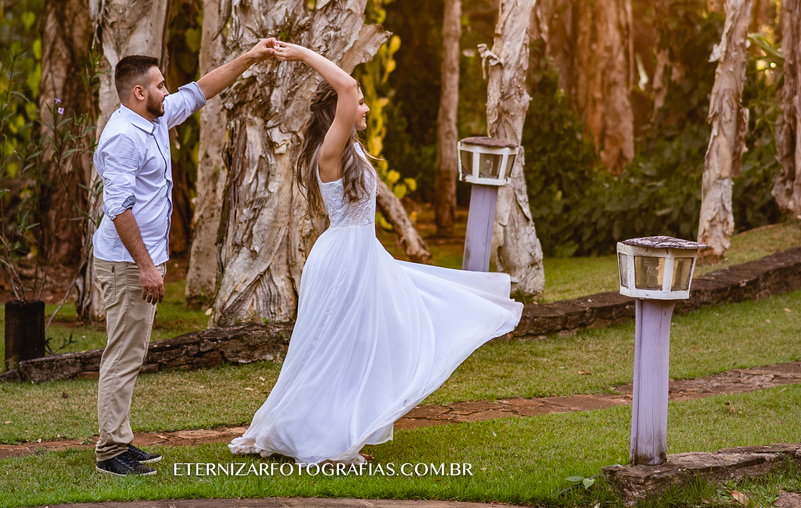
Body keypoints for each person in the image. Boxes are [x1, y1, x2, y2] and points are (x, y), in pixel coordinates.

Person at [229, 41, 524, 465]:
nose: (364, 108)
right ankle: (324, 438)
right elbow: (346, 85)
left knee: (359, 342)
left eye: (365, 103)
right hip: (344, 257)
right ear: (339, 114)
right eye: (360, 105)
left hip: (362, 253)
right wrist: (302, 55)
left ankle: (341, 426)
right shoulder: (330, 151)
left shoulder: (349, 150)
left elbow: (348, 92)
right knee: (334, 344)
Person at [93, 39, 276, 477]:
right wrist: (146, 267)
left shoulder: (153, 119)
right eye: (159, 84)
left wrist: (250, 56)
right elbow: (117, 208)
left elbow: (200, 90)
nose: (166, 89)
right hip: (125, 265)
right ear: (140, 92)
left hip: (138, 261)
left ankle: (119, 439)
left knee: (129, 352)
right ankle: (110, 452)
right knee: (123, 355)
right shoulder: (122, 137)